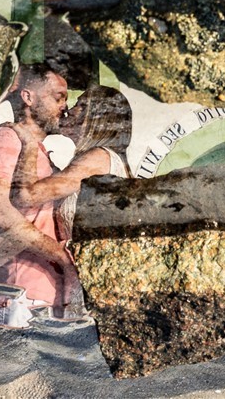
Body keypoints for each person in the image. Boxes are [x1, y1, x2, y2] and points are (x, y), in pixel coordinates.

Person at [11, 84, 133, 317]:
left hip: (92, 283)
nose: (68, 109)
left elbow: (27, 195)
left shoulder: (98, 159)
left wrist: (28, 142)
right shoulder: (93, 161)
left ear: (95, 118)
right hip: (83, 278)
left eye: (80, 105)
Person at [0, 63, 74, 323]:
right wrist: (59, 255)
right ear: (28, 97)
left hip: (42, 294)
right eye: (58, 97)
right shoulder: (6, 139)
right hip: (21, 295)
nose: (65, 106)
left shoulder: (35, 148)